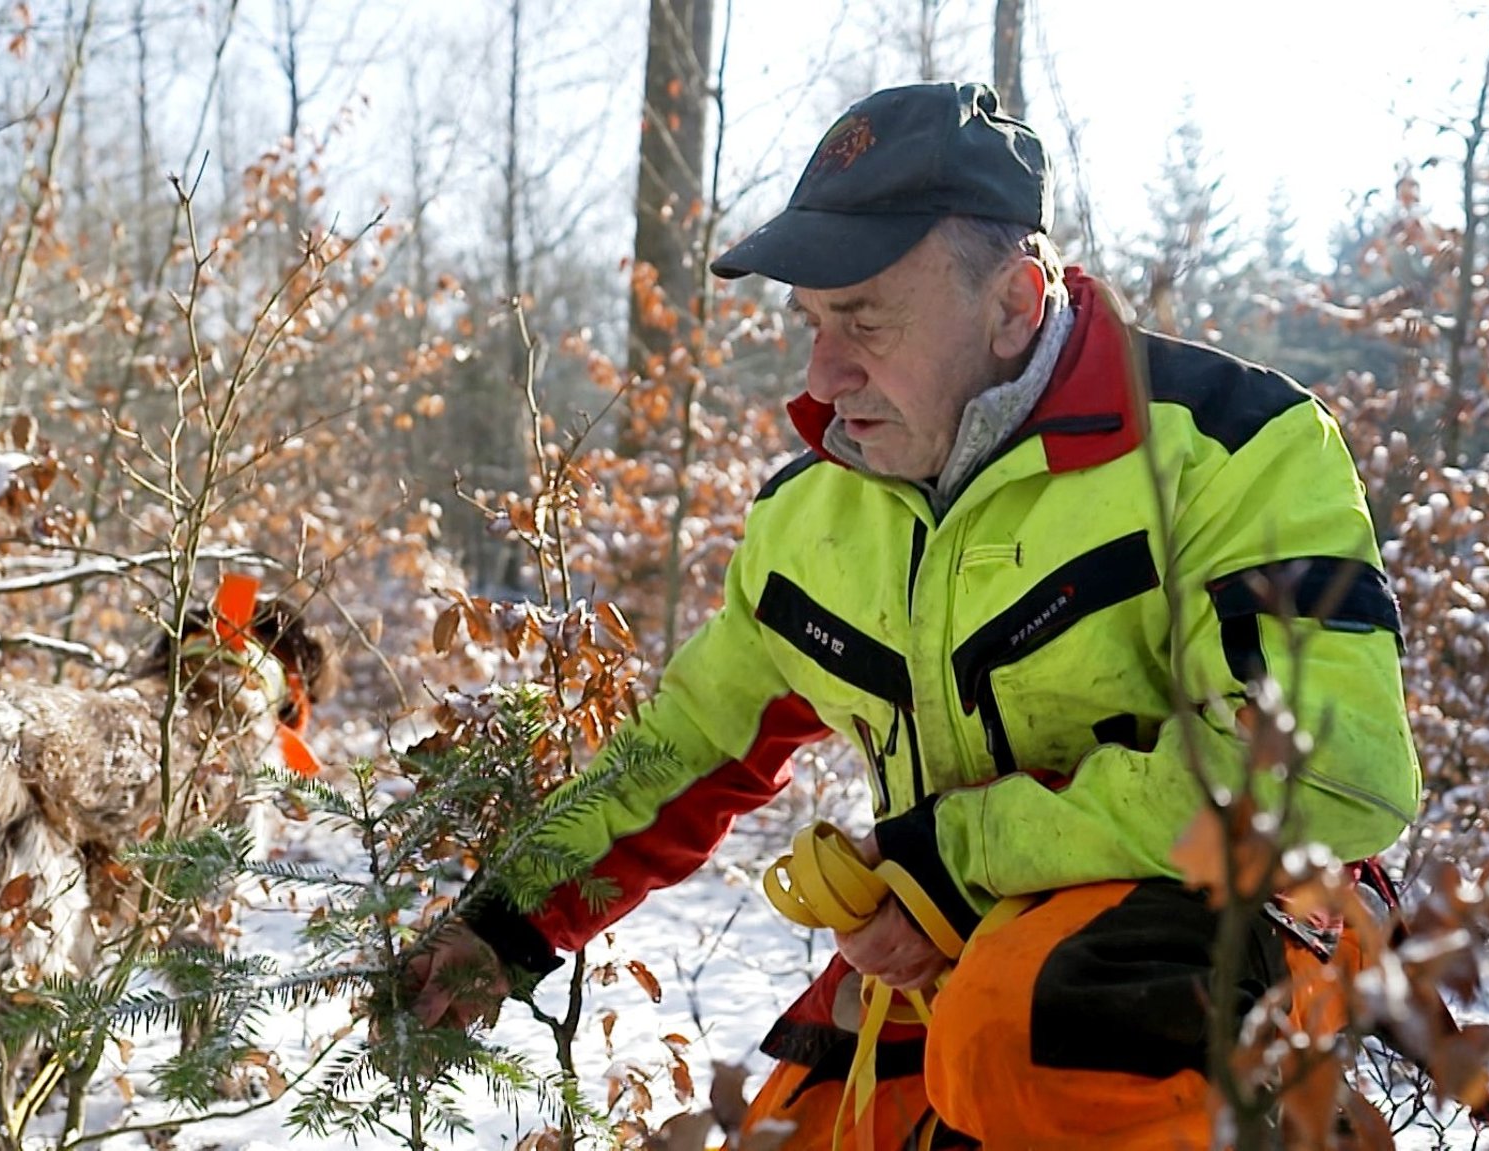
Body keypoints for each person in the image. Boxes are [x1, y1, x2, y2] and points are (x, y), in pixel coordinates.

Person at [409, 82, 1422, 1148]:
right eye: (809, 321)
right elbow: (689, 746)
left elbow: (1331, 775)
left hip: (1225, 949)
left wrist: (960, 854)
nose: (820, 372)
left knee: (1021, 1030)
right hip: (958, 949)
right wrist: (501, 923)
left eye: (865, 320)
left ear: (1013, 305)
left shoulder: (1234, 447)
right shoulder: (807, 519)